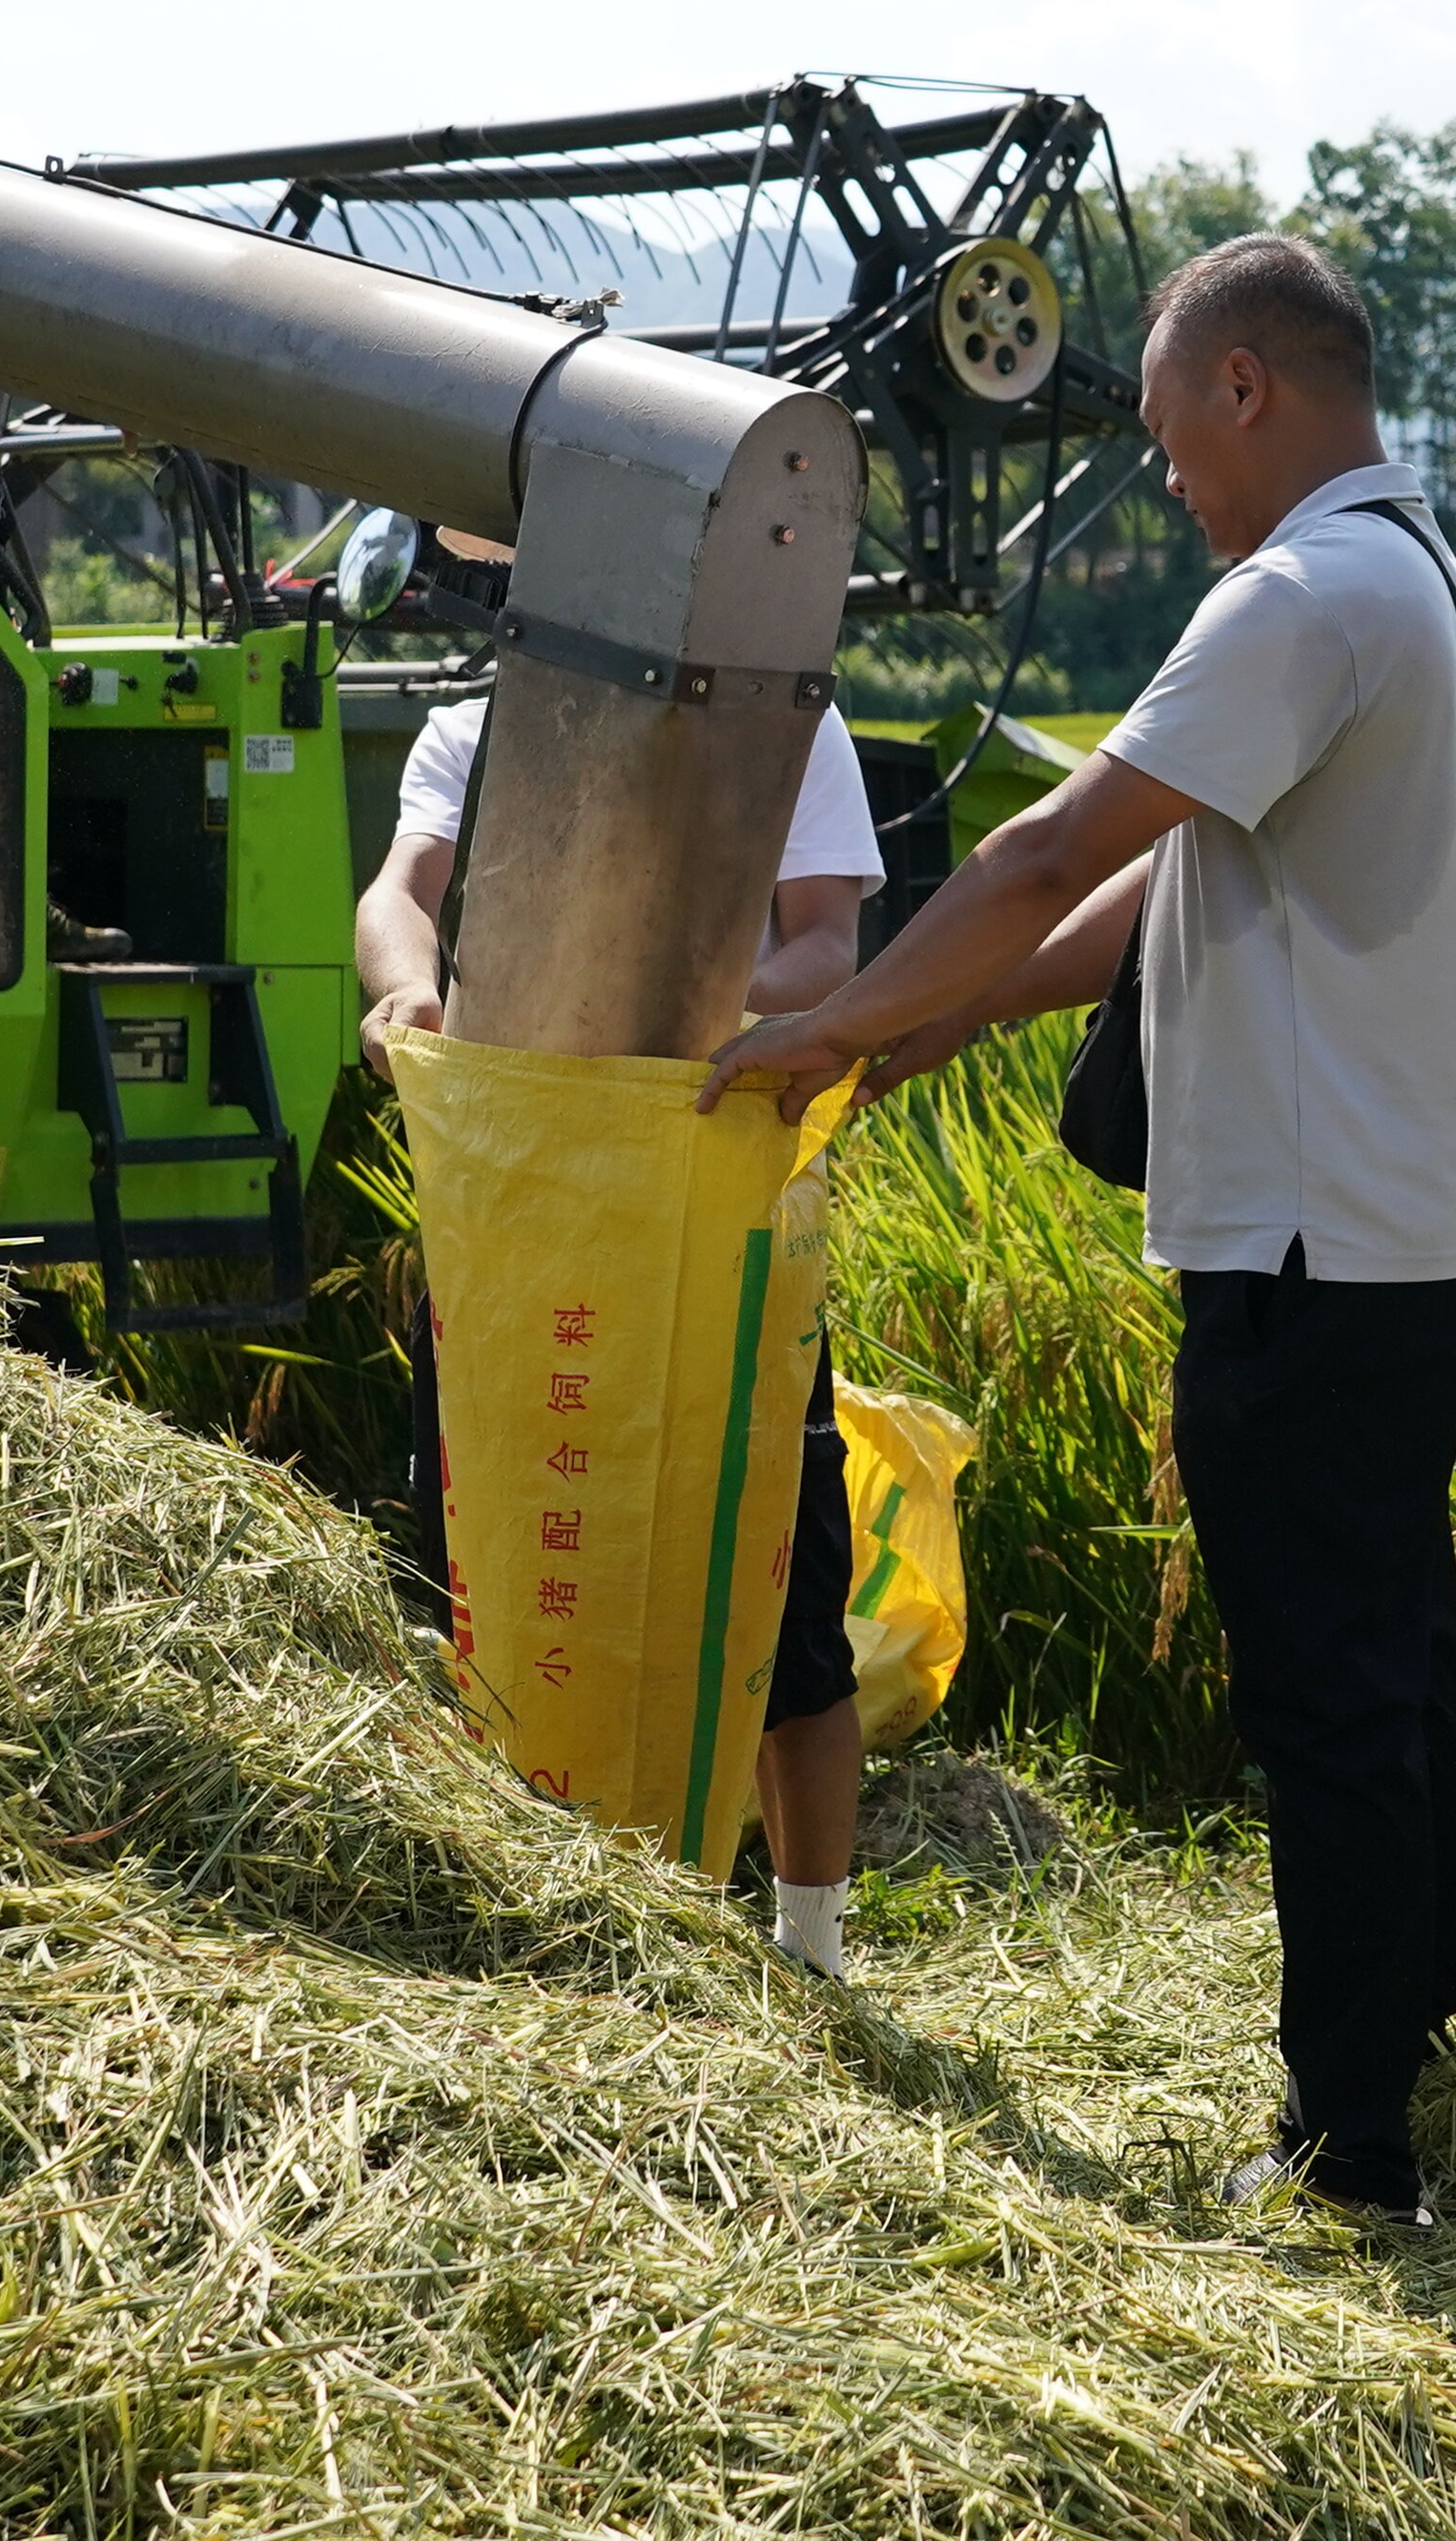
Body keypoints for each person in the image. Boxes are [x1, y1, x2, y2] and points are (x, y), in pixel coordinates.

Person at [701, 232, 1456, 2229]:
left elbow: (1048, 845)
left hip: (1301, 1236)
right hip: (1403, 1216)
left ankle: (1350, 2146)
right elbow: (1157, 887)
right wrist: (931, 1024)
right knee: (1393, 1637)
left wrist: (831, 1019)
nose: (1168, 472)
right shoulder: (1420, 576)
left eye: (1164, 430)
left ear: (1245, 384)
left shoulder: (1297, 593)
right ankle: (1413, 2013)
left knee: (1322, 1680)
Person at [358, 618, 890, 1977]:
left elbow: (826, 944)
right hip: (518, 1234)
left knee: (783, 1604)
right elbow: (401, 892)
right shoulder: (480, 730)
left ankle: (810, 1950)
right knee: (493, 1581)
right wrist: (409, 992)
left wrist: (682, 1010)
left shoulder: (787, 730)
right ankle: (527, 1925)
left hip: (712, 1221)